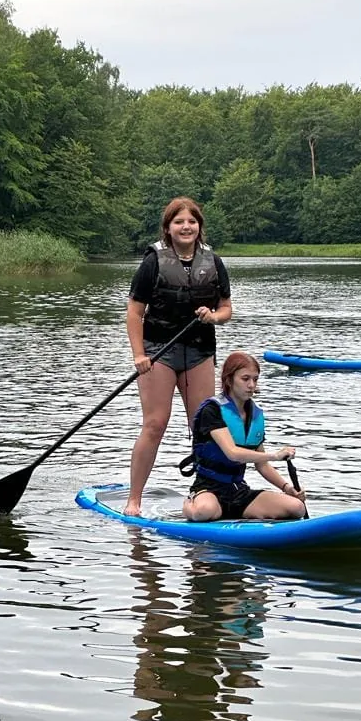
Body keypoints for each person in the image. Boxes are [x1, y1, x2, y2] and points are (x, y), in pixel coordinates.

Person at [123, 197, 233, 516]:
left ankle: (206, 495)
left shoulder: (213, 262)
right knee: (155, 424)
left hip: (199, 352)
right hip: (159, 353)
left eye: (192, 222)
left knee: (203, 425)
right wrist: (139, 355)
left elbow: (226, 308)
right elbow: (134, 313)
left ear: (199, 227)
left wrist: (214, 317)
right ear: (168, 228)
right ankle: (134, 500)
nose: (186, 227)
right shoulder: (152, 262)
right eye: (179, 222)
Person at [181, 352, 306, 522]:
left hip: (238, 490)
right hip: (208, 488)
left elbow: (262, 465)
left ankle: (236, 511)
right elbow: (233, 453)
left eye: (255, 379)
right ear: (229, 380)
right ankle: (191, 502)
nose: (251, 385)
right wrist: (275, 455)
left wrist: (286, 487)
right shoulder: (212, 411)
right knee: (205, 511)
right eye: (245, 379)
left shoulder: (255, 415)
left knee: (297, 508)